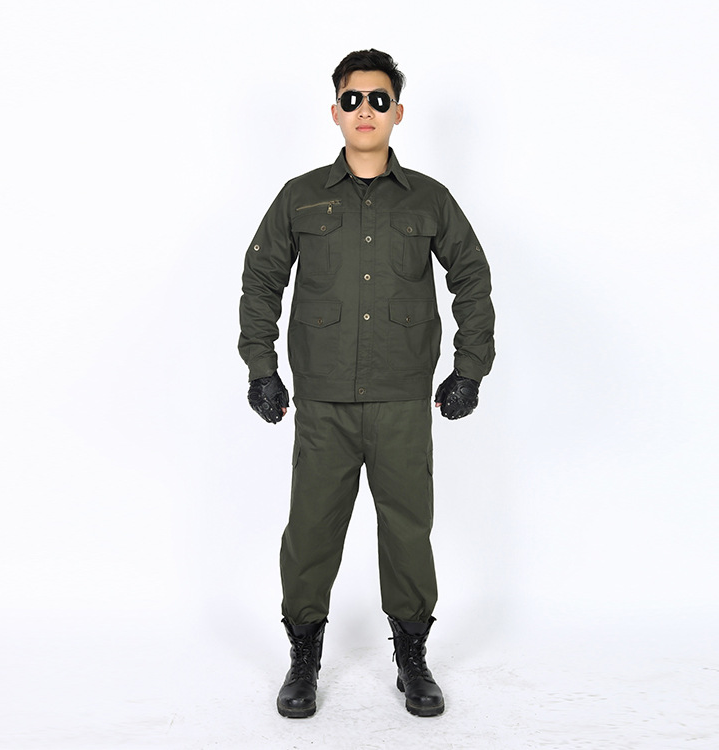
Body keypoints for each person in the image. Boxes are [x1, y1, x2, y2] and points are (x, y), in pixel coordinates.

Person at [238, 49, 495, 718]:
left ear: (397, 113)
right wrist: (261, 368)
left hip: (402, 401)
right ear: (335, 111)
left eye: (379, 100)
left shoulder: (430, 200)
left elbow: (471, 277)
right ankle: (303, 657)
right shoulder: (300, 196)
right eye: (352, 99)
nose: (365, 111)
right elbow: (262, 279)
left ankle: (413, 658)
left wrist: (469, 368)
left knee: (407, 532)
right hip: (322, 400)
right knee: (311, 533)